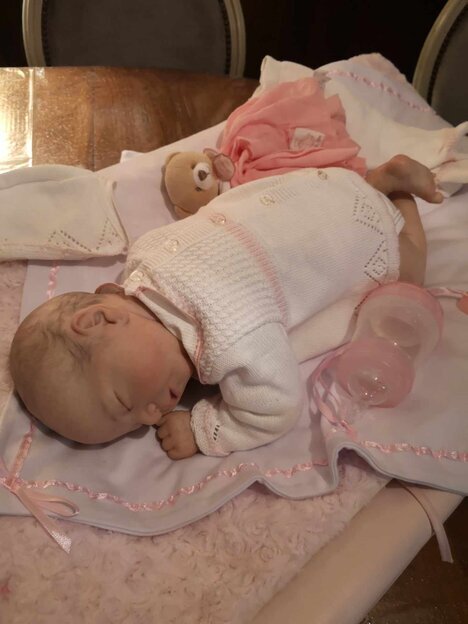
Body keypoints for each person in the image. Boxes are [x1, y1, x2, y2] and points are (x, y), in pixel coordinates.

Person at [9, 156, 443, 459]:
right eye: (133, 425)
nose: (150, 417)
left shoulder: (228, 340)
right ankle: (379, 179)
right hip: (313, 189)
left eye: (124, 403)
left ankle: (401, 197)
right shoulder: (146, 256)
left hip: (360, 240)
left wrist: (204, 429)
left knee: (407, 284)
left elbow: (275, 407)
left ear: (98, 317)